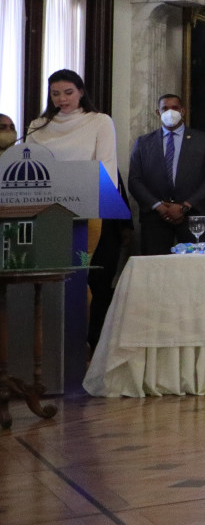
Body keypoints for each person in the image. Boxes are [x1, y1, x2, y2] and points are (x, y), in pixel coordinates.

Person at [24, 70, 124, 342]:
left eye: (68, 92)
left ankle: (78, 344)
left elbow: (106, 167)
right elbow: (30, 170)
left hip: (86, 210)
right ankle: (45, 343)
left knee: (78, 276)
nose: (62, 99)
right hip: (45, 212)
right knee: (46, 279)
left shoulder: (99, 121)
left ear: (81, 92)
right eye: (55, 93)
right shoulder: (38, 126)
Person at [127, 93, 205, 254]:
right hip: (156, 218)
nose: (170, 112)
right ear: (158, 112)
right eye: (165, 108)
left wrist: (185, 206)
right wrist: (159, 206)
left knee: (196, 266)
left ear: (182, 111)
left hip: (193, 216)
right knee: (155, 265)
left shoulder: (203, 141)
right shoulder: (143, 143)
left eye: (175, 108)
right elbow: (135, 180)